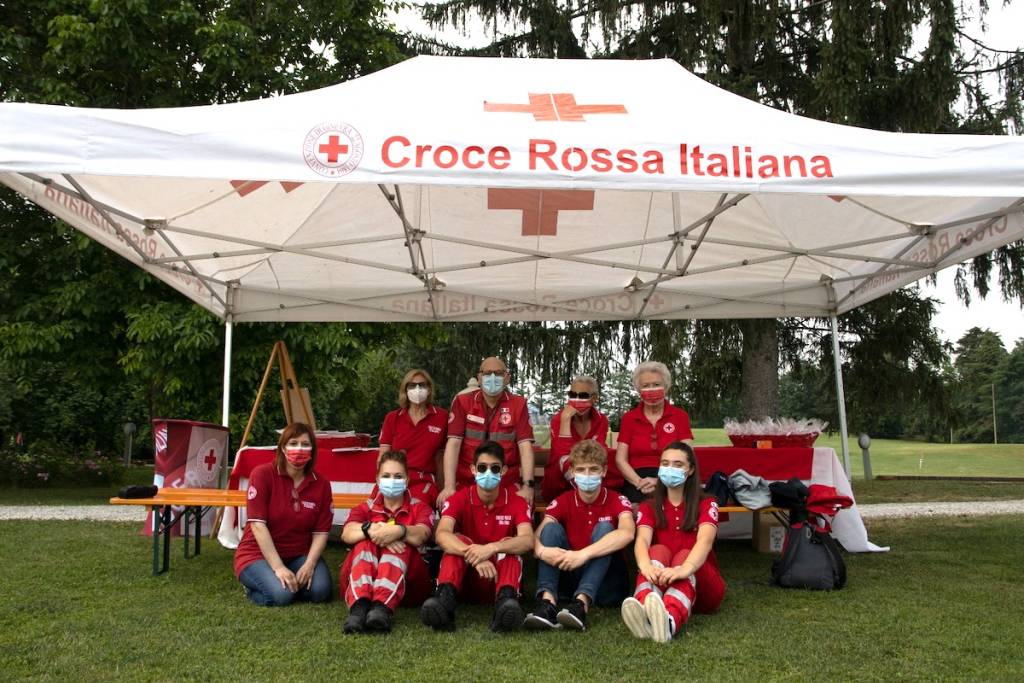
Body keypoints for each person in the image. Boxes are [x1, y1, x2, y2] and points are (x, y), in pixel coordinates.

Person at [421, 441, 534, 632]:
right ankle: (445, 606)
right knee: (458, 540)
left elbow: (527, 540)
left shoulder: (517, 501)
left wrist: (491, 548)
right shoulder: (459, 498)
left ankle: (504, 609)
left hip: (500, 579)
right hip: (465, 580)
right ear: (473, 470)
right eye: (482, 467)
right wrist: (473, 554)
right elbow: (441, 534)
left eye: (494, 468)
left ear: (504, 471)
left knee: (509, 545)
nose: (488, 473)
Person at [525, 440, 634, 632]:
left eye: (593, 469)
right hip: (570, 575)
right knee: (550, 530)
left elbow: (627, 533)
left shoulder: (617, 499)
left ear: (604, 471)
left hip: (607, 584)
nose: (587, 475)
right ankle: (547, 604)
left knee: (606, 529)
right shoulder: (563, 500)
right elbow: (535, 535)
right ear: (573, 472)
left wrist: (583, 554)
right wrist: (541, 551)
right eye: (582, 470)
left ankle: (581, 605)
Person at [621, 441, 724, 643]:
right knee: (657, 549)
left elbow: (705, 540)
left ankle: (668, 622)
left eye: (678, 465)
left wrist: (684, 569)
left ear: (690, 470)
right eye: (665, 463)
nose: (670, 469)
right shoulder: (648, 505)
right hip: (662, 582)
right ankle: (645, 611)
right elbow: (642, 539)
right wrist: (645, 566)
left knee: (685, 553)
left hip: (700, 582)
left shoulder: (707, 502)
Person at [233, 422, 333, 607]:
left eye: (305, 444)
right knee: (282, 596)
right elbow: (257, 525)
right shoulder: (262, 475)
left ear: (313, 450)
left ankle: (287, 581)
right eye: (293, 443)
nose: (299, 449)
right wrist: (278, 568)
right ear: (282, 447)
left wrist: (310, 563)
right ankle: (254, 587)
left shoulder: (322, 484)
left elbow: (321, 532)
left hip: (298, 554)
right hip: (257, 554)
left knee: (321, 591)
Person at [339, 450, 434, 633]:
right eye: (386, 475)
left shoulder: (420, 507)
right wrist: (373, 531)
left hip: (410, 586)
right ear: (377, 479)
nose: (392, 480)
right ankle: (359, 609)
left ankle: (381, 608)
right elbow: (347, 533)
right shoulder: (364, 508)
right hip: (362, 581)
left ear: (406, 481)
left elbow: (423, 534)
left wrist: (399, 531)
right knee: (363, 542)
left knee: (401, 545)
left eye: (398, 476)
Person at [437, 356, 536, 507]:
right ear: (479, 377)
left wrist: (527, 486)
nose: (492, 377)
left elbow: (525, 447)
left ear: (507, 378)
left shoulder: (518, 404)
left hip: (506, 482)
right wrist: (449, 486)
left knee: (523, 509)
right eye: (487, 373)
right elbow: (453, 445)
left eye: (498, 373)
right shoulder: (463, 402)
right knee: (449, 509)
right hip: (467, 481)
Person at [614, 361, 694, 504]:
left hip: (671, 477)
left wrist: (660, 482)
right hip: (636, 481)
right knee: (635, 510)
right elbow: (620, 460)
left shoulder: (680, 416)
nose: (651, 390)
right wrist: (639, 482)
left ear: (666, 387)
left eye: (656, 385)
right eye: (646, 386)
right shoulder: (629, 418)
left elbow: (688, 456)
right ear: (639, 390)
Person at [377, 368, 448, 507]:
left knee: (415, 514)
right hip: (394, 477)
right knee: (374, 513)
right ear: (405, 390)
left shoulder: (442, 417)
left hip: (424, 481)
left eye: (422, 385)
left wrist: (443, 489)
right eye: (412, 385)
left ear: (429, 389)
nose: (417, 389)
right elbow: (383, 456)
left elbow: (442, 459)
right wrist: (382, 482)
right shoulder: (393, 418)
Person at [540, 375, 611, 503]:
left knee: (605, 460)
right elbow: (562, 455)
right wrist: (566, 420)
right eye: (572, 394)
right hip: (559, 480)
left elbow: (597, 453)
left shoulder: (601, 420)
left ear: (594, 398)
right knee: (564, 461)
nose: (576, 399)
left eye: (583, 396)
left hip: (589, 473)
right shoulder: (559, 419)